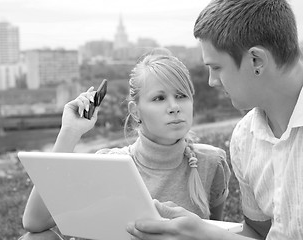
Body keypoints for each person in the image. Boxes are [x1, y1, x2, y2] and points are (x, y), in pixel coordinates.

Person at [126, 0, 303, 239]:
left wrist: (206, 236)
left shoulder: (215, 160)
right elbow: (259, 234)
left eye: (216, 67)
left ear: (256, 61)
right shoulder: (244, 138)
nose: (211, 80)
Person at [19, 49, 231, 240]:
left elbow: (213, 232)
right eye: (159, 98)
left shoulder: (211, 162)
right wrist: (69, 133)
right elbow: (34, 224)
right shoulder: (108, 164)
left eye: (181, 96)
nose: (174, 107)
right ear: (135, 111)